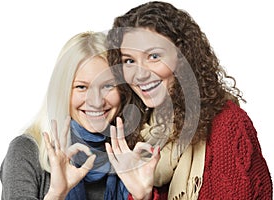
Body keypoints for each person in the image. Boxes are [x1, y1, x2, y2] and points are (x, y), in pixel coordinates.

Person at [107, 1, 273, 199]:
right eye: (129, 61)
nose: (139, 74)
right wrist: (143, 195)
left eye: (153, 56)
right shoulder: (140, 134)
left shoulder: (227, 124)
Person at [0, 31, 160, 200]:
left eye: (107, 86)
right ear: (62, 92)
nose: (96, 102)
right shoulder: (27, 151)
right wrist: (56, 194)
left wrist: (142, 197)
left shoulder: (133, 154)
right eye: (81, 87)